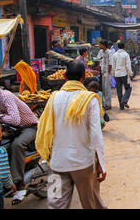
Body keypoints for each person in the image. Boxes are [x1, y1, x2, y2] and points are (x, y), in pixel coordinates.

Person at [35, 61, 107, 209]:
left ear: (64, 76)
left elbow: (44, 128)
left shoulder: (53, 98)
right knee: (91, 203)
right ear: (83, 78)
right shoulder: (90, 99)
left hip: (56, 163)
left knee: (55, 204)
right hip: (83, 164)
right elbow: (96, 134)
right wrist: (101, 164)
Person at [0, 78, 38, 205]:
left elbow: (16, 120)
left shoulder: (6, 96)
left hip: (28, 127)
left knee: (17, 145)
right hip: (9, 128)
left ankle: (19, 183)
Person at [111, 42, 133, 110]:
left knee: (119, 90)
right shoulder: (126, 54)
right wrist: (131, 74)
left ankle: (121, 106)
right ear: (124, 47)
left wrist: (113, 74)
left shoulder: (114, 55)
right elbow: (128, 65)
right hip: (124, 74)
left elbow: (113, 66)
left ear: (118, 47)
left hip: (117, 74)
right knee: (128, 88)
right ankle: (124, 100)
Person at [99, 40, 112, 110]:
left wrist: (108, 72)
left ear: (104, 45)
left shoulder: (109, 52)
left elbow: (110, 64)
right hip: (103, 72)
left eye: (100, 44)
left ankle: (108, 104)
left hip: (107, 72)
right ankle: (105, 103)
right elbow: (99, 59)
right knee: (104, 88)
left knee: (107, 88)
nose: (99, 46)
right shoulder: (101, 52)